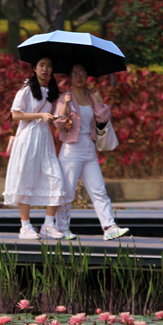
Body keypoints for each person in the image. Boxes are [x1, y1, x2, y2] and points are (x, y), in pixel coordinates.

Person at [54, 64, 129, 240]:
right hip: (71, 149)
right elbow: (58, 123)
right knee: (67, 191)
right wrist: (65, 105)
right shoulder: (65, 98)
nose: (79, 77)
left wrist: (97, 100)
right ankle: (62, 228)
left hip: (89, 147)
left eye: (83, 73)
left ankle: (109, 226)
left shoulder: (90, 95)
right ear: (69, 77)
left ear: (87, 76)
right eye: (75, 74)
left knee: (99, 190)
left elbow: (103, 118)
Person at [4, 57, 65, 239]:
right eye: (41, 66)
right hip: (28, 138)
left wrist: (60, 115)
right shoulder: (26, 90)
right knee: (26, 177)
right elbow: (16, 115)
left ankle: (48, 224)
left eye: (49, 66)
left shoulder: (52, 92)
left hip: (44, 139)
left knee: (55, 177)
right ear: (34, 68)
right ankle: (25, 226)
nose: (45, 69)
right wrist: (40, 115)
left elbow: (52, 117)